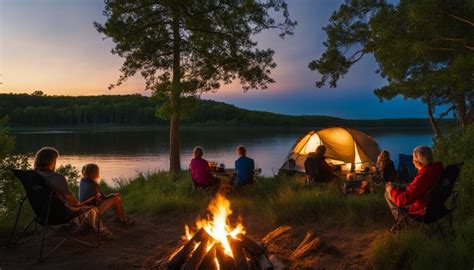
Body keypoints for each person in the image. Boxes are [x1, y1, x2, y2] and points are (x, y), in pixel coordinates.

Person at [33, 147, 110, 235]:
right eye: (55, 160)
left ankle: (83, 225)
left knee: (80, 208)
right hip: (60, 214)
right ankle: (101, 231)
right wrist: (79, 205)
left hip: (42, 213)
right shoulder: (57, 177)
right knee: (91, 208)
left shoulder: (33, 175)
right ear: (50, 161)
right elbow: (73, 201)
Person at [385, 146, 444, 226]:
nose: (413, 162)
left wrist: (391, 190)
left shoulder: (423, 176)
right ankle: (402, 221)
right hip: (438, 207)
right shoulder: (437, 169)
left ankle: (403, 222)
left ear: (417, 162)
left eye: (413, 159)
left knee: (387, 194)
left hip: (422, 211)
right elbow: (420, 188)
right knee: (399, 190)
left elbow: (402, 200)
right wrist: (408, 187)